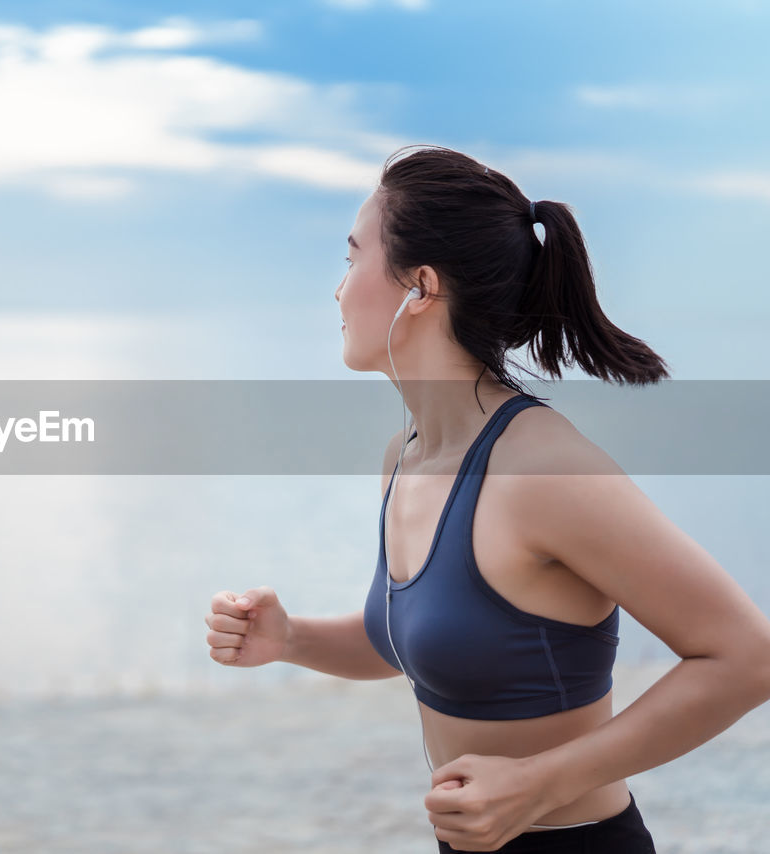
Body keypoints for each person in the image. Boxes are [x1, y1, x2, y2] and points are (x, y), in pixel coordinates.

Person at [204, 144, 770, 852]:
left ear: (422, 288)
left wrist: (540, 783)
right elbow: (423, 639)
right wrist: (291, 640)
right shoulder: (407, 455)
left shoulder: (543, 471)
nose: (339, 288)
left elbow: (747, 657)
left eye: (354, 258)